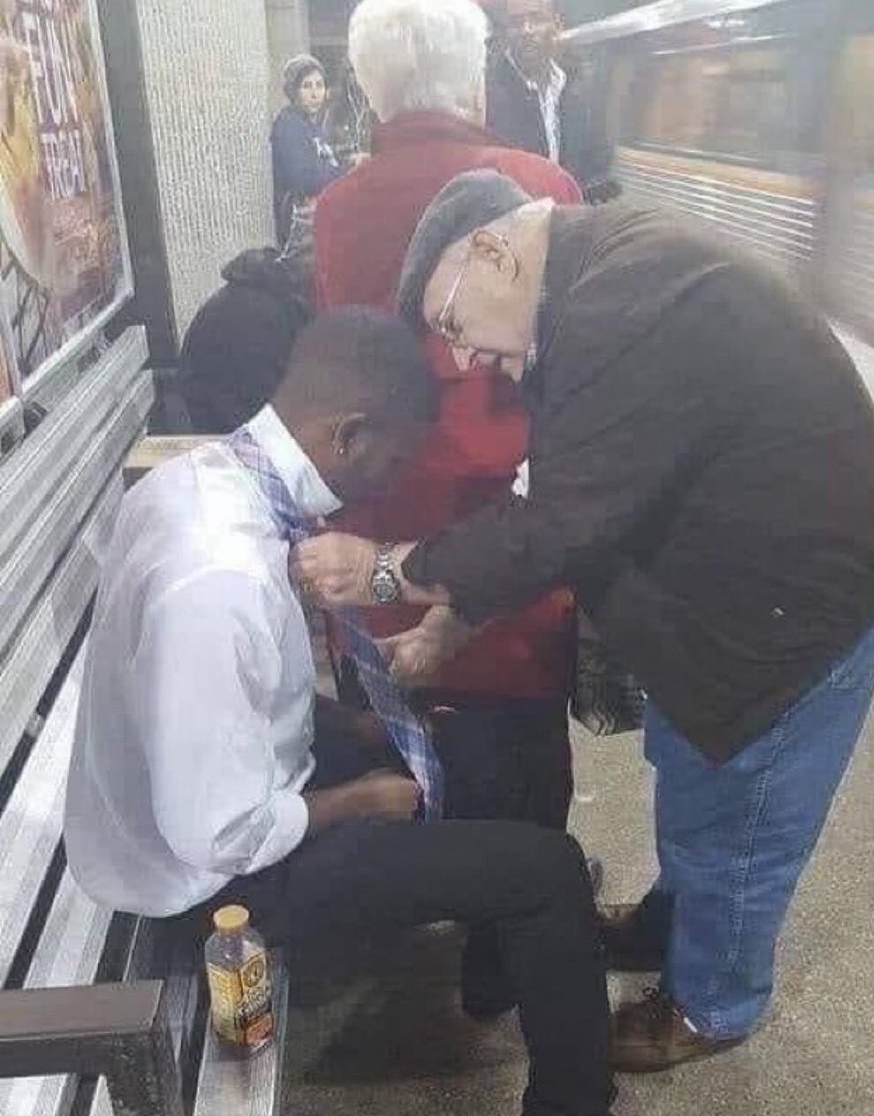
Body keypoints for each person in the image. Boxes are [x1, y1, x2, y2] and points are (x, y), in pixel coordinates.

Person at [294, 171, 874, 1074]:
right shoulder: (591, 288)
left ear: (495, 252)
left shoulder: (627, 303)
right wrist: (450, 623)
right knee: (689, 765)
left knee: (743, 809)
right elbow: (559, 495)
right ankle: (675, 918)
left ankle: (713, 1003)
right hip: (724, 588)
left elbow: (560, 522)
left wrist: (389, 567)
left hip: (798, 605)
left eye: (454, 327)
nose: (463, 360)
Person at [64, 310, 616, 1116]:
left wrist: (352, 725)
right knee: (550, 870)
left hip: (231, 792)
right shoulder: (219, 582)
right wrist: (357, 801)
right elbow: (214, 834)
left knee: (467, 748)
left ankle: (503, 957)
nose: (398, 479)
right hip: (214, 886)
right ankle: (573, 1094)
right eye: (397, 455)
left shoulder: (208, 478)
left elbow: (236, 699)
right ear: (349, 434)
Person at [314, 0, 583, 1018]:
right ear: (472, 75)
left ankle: (425, 903)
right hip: (510, 528)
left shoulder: (337, 207)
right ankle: (502, 957)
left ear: (372, 89)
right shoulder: (542, 180)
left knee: (414, 732)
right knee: (523, 749)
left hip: (382, 539)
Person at [486, 0, 613, 199]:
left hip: (572, 222)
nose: (526, 30)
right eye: (516, 23)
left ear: (556, 23)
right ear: (506, 32)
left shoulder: (578, 91)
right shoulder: (489, 95)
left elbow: (596, 166)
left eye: (536, 19)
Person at [178, 246, 312, 433]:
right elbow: (262, 400)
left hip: (212, 413)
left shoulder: (249, 297)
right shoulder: (265, 315)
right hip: (232, 422)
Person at [271, 53, 347, 244]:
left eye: (319, 86)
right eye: (306, 86)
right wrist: (347, 171)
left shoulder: (312, 126)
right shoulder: (288, 124)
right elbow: (304, 178)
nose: (315, 94)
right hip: (300, 231)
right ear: (294, 90)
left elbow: (324, 164)